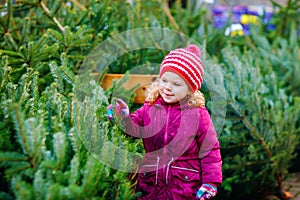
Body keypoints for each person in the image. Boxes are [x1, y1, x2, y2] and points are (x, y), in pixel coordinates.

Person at [107, 45, 222, 200]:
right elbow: (133, 129)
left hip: (184, 187)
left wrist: (210, 182)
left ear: (190, 89)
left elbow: (210, 150)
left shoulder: (198, 114)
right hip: (150, 183)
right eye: (164, 80)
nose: (168, 87)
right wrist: (122, 117)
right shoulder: (150, 107)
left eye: (176, 84)